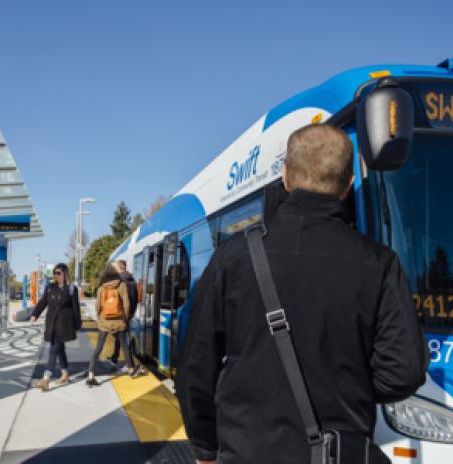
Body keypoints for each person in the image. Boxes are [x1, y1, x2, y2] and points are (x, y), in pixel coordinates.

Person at [177, 124, 429, 464]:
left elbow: (195, 364)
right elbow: (404, 374)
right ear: (349, 183)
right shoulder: (380, 263)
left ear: (285, 176)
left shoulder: (233, 256)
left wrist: (205, 447)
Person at [30, 263, 81, 391]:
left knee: (53, 349)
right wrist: (35, 314)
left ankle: (46, 379)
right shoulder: (50, 288)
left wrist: (77, 324)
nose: (56, 275)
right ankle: (65, 373)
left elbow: (76, 308)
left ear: (65, 274)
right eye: (55, 273)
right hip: (51, 324)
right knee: (59, 349)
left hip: (64, 325)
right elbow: (43, 302)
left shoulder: (71, 289)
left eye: (59, 273)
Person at [85, 263, 135, 387]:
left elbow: (97, 306)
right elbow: (127, 305)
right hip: (120, 322)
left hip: (104, 322)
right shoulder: (122, 285)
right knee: (124, 345)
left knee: (98, 348)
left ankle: (91, 375)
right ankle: (131, 370)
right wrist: (125, 318)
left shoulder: (101, 287)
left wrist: (100, 319)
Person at [107, 259, 140, 376]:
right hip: (129, 313)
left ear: (119, 268)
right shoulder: (132, 280)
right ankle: (115, 358)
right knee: (121, 336)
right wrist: (131, 313)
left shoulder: (120, 280)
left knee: (123, 338)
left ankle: (130, 365)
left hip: (121, 313)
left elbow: (118, 299)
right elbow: (136, 299)